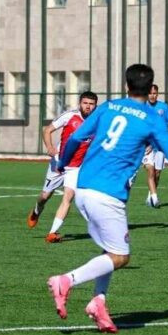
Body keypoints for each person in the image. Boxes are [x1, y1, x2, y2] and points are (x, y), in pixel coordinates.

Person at [46, 64, 168, 333]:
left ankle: (99, 302)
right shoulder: (152, 118)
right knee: (121, 256)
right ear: (151, 87)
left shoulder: (109, 107)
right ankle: (66, 280)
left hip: (84, 187)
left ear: (126, 85)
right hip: (107, 194)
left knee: (110, 249)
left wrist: (62, 162)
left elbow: (74, 138)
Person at [27, 91, 98, 242]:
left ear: (95, 106)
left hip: (76, 167)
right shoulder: (69, 116)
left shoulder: (97, 122)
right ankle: (36, 210)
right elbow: (47, 130)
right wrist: (50, 147)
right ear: (80, 103)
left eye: (91, 104)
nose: (88, 106)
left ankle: (52, 232)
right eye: (85, 103)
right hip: (59, 163)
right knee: (44, 196)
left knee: (68, 197)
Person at [143, 84, 168, 208]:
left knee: (157, 173)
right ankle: (155, 198)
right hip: (146, 145)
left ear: (157, 94)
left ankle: (150, 195)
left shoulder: (163, 107)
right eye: (150, 93)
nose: (152, 96)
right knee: (150, 170)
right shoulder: (142, 107)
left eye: (154, 93)